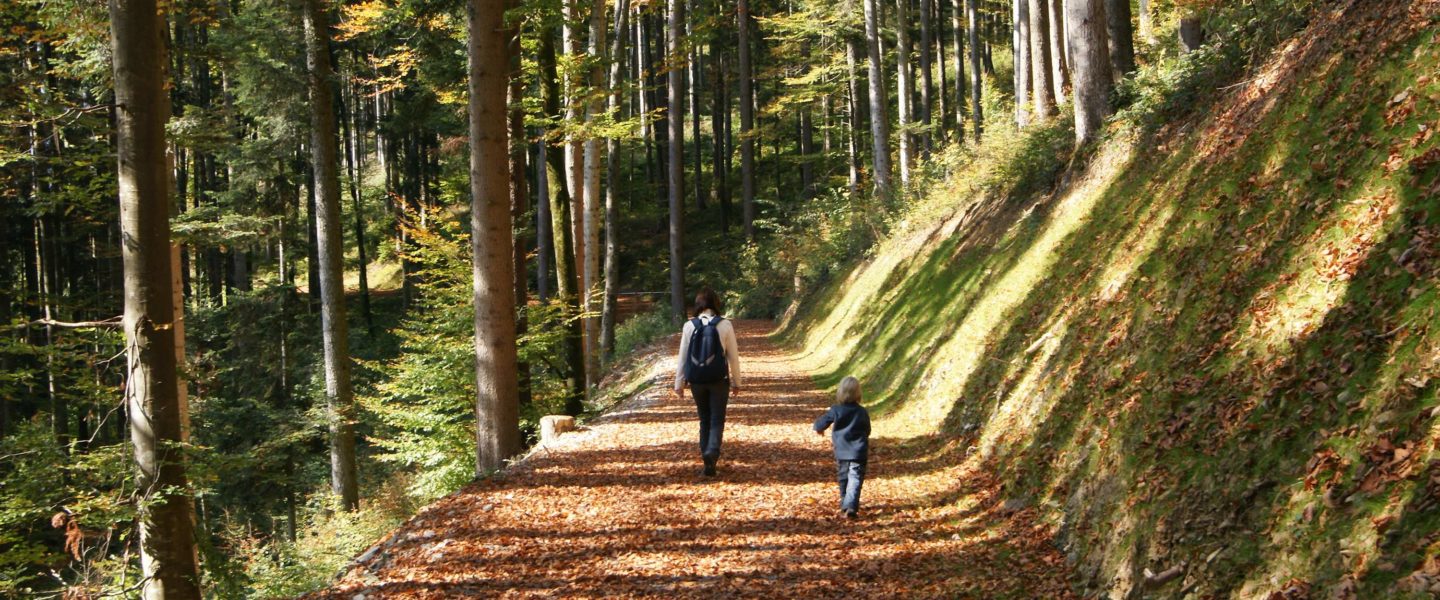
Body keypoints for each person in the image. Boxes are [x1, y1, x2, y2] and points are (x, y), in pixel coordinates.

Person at [673, 288, 742, 477]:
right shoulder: (725, 325)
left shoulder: (689, 326)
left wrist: (679, 384)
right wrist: (736, 382)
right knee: (717, 418)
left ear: (698, 304)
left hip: (697, 381)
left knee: (704, 419)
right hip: (719, 380)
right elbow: (733, 356)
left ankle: (706, 458)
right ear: (716, 304)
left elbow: (683, 357)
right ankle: (712, 452)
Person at [813, 376, 871, 519]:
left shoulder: (836, 410)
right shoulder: (862, 412)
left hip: (842, 451)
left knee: (843, 477)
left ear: (840, 392)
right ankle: (849, 505)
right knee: (855, 478)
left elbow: (821, 423)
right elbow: (867, 430)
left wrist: (819, 428)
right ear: (858, 393)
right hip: (858, 451)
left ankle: (846, 503)